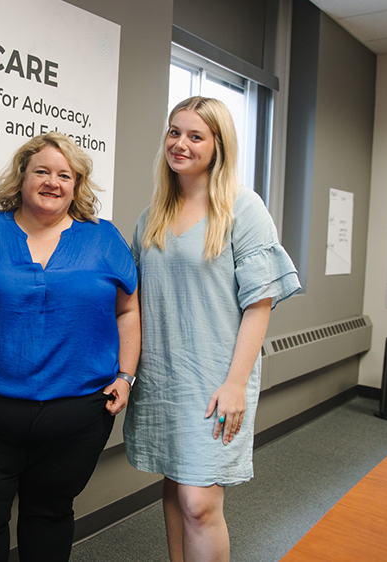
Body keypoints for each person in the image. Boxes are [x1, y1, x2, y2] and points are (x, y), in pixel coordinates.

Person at [124, 97, 300, 562]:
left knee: (201, 502)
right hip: (164, 374)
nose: (180, 144)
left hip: (217, 376)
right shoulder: (153, 215)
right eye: (174, 132)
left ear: (219, 146)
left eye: (195, 136)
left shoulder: (243, 208)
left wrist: (236, 384)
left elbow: (260, 304)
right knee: (177, 483)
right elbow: (135, 304)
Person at [0, 132, 140, 562]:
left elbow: (128, 311)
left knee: (51, 513)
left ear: (77, 185)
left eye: (64, 175)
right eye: (41, 171)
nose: (52, 182)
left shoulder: (103, 237)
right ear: (22, 177)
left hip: (77, 414)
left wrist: (126, 376)